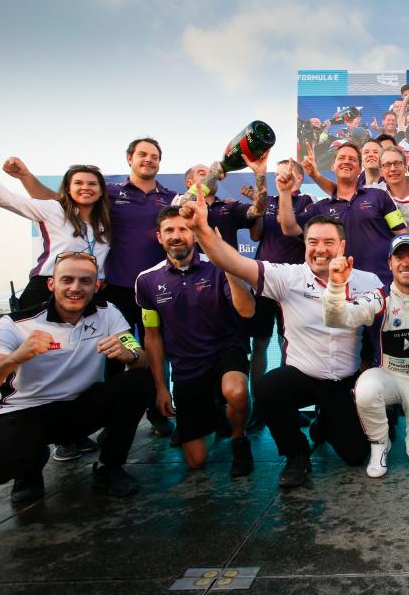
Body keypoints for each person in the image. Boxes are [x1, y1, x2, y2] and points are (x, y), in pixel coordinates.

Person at [179, 190, 382, 488]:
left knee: (355, 455)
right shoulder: (288, 277)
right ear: (304, 245)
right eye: (313, 242)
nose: (320, 249)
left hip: (343, 383)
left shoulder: (368, 280)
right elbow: (234, 262)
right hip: (302, 376)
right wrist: (201, 229)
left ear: (342, 246)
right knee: (267, 387)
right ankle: (296, 456)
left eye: (328, 242)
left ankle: (324, 422)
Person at [6, 136, 178, 437]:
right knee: (111, 353)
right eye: (142, 154)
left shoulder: (171, 198)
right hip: (116, 290)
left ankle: (157, 409)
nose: (148, 159)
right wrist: (25, 177)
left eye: (154, 156)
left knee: (155, 351)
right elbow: (59, 203)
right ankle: (104, 419)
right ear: (130, 158)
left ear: (160, 162)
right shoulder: (108, 192)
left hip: (156, 289)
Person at [0, 252, 153, 502]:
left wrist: (129, 354)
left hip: (81, 409)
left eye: (85, 281)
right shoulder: (15, 324)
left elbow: (140, 355)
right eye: (67, 280)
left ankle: (109, 466)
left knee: (139, 380)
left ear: (96, 285)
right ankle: (30, 467)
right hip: (28, 413)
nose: (76, 288)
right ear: (51, 283)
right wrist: (14, 358)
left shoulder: (108, 312)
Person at [135, 207, 256, 477]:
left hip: (226, 350)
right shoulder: (147, 280)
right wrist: (161, 388)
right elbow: (152, 337)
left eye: (184, 229)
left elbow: (247, 311)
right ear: (159, 237)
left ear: (196, 234)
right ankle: (213, 411)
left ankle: (239, 439)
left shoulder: (219, 267)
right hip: (187, 367)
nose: (177, 236)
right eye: (170, 230)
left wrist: (228, 265)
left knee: (235, 392)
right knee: (196, 462)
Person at [324, 234, 409, 477]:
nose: (406, 262)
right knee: (366, 387)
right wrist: (335, 285)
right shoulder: (378, 298)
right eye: (399, 257)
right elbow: (336, 318)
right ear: (390, 263)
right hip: (389, 376)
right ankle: (379, 444)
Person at [0, 120, 111, 311]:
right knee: (39, 341)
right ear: (68, 190)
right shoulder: (52, 210)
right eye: (78, 183)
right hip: (47, 289)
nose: (85, 187)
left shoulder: (106, 223)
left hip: (90, 291)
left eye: (92, 184)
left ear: (101, 191)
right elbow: (2, 197)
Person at [286, 142, 408, 285]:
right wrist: (284, 191)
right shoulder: (321, 207)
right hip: (341, 287)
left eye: (352, 159)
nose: (346, 161)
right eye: (341, 158)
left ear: (359, 168)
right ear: (333, 166)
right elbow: (289, 227)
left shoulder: (379, 196)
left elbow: (403, 236)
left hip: (384, 284)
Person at [248, 159, 311, 405]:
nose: (281, 177)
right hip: (264, 280)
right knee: (260, 342)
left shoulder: (308, 203)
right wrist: (258, 205)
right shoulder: (266, 201)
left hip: (294, 285)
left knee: (290, 344)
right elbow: (255, 235)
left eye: (287, 173)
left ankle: (287, 403)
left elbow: (290, 228)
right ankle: (257, 403)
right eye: (278, 173)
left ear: (299, 178)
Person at [375, 146, 409, 235]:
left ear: (406, 166)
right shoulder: (376, 193)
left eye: (397, 163)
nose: (393, 169)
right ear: (381, 171)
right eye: (387, 165)